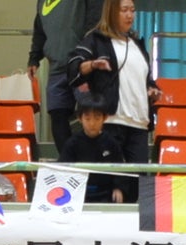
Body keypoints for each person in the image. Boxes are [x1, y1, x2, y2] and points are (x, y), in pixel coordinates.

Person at [65, 0, 158, 199]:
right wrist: (93, 65)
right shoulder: (96, 39)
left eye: (132, 10)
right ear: (111, 12)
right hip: (111, 121)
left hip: (139, 123)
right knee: (111, 184)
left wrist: (152, 89)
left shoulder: (137, 44)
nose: (130, 15)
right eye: (124, 10)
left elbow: (146, 78)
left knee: (139, 183)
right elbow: (73, 68)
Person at [26, 0, 103, 153]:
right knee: (57, 114)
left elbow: (95, 21)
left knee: (91, 114)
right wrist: (34, 58)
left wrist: (87, 53)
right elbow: (40, 30)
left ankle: (91, 159)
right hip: (56, 67)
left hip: (82, 66)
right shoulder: (43, 2)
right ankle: (68, 160)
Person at [59, 99, 128, 202]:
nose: (92, 123)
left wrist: (118, 188)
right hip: (77, 193)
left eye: (97, 118)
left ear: (104, 118)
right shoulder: (72, 144)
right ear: (80, 118)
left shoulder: (111, 143)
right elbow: (63, 169)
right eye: (87, 118)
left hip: (105, 193)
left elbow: (120, 168)